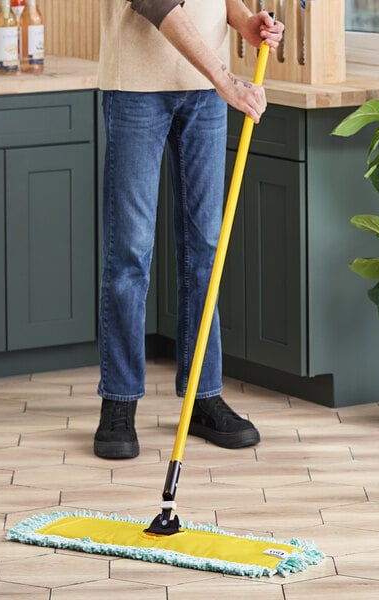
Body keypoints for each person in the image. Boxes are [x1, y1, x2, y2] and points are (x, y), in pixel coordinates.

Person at [94, 0, 284, 459]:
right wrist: (226, 78)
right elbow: (158, 5)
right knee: (130, 256)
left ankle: (203, 397)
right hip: (137, 90)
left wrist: (242, 21)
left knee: (205, 251)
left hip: (204, 94)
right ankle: (118, 402)